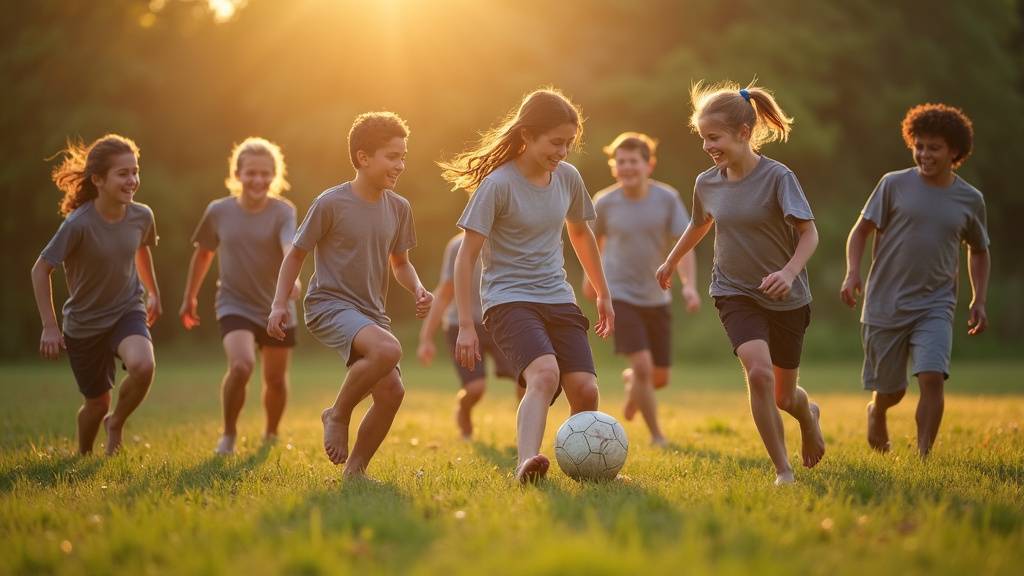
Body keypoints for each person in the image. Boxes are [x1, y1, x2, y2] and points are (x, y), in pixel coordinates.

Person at [440, 88, 614, 483]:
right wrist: (466, 326)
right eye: (555, 142)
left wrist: (603, 292)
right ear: (528, 136)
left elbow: (581, 235)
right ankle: (526, 463)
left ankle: (590, 468)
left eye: (569, 142)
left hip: (558, 296)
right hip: (508, 300)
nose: (564, 151)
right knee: (544, 374)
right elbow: (465, 258)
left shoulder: (568, 178)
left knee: (585, 389)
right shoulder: (498, 184)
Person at [657, 82, 825, 485]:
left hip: (786, 297)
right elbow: (700, 224)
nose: (707, 147)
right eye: (703, 139)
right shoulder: (707, 183)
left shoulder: (778, 177)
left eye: (713, 138)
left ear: (744, 133)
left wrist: (787, 272)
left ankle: (808, 414)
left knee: (786, 397)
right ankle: (783, 470)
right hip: (733, 291)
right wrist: (671, 260)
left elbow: (809, 234)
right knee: (759, 374)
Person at [267, 112, 432, 479]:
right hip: (329, 304)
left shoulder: (399, 208)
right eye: (392, 156)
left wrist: (418, 287)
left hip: (371, 313)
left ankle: (355, 471)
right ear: (363, 157)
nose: (401, 165)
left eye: (403, 157)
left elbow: (401, 263)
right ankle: (337, 413)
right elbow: (296, 253)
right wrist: (280, 304)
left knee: (391, 393)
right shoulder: (331, 203)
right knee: (388, 349)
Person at [841, 103, 990, 458]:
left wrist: (978, 299)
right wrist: (852, 271)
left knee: (932, 377)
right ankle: (878, 410)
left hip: (935, 304)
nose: (924, 154)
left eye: (934, 147)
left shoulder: (970, 199)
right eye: (918, 145)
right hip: (885, 303)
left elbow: (979, 250)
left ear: (954, 151)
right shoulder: (893, 184)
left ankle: (923, 456)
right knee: (892, 391)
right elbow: (860, 231)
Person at [31, 134, 161, 456]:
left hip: (127, 309)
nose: (132, 180)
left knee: (143, 366)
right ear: (98, 179)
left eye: (135, 171)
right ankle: (84, 454)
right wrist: (49, 326)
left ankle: (116, 423)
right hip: (85, 324)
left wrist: (153, 292)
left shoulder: (142, 216)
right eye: (123, 173)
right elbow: (40, 270)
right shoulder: (78, 224)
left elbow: (142, 250)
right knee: (96, 402)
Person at [180, 137, 299, 454]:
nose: (258, 180)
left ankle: (271, 433)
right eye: (251, 173)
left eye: (265, 173)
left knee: (275, 380)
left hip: (278, 307)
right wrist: (189, 297)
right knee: (242, 366)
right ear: (238, 174)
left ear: (274, 176)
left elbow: (291, 246)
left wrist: (292, 282)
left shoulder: (284, 211)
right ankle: (229, 433)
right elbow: (204, 254)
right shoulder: (218, 211)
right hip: (234, 303)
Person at [585, 131, 700, 446]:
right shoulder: (605, 201)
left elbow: (685, 244)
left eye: (633, 161)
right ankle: (657, 436)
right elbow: (592, 242)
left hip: (656, 296)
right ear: (614, 166)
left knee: (658, 377)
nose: (627, 168)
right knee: (644, 366)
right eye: (620, 162)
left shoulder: (667, 199)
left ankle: (633, 384)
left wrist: (689, 287)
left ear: (649, 165)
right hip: (619, 293)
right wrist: (591, 280)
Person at [417, 232, 522, 439]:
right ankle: (464, 411)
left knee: (526, 379)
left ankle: (525, 432)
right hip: (461, 324)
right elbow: (445, 292)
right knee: (475, 388)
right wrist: (426, 337)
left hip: (500, 322)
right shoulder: (458, 245)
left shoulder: (509, 240)